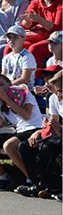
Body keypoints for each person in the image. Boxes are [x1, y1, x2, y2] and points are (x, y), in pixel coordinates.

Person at [15, 70, 62, 199]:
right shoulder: (53, 97)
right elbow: (53, 122)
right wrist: (39, 132)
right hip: (58, 132)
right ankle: (39, 185)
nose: (58, 94)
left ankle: (53, 186)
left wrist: (57, 129)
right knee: (26, 146)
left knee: (47, 148)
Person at [19, 0, 62, 66]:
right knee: (11, 47)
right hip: (39, 36)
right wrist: (27, 20)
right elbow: (26, 25)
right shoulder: (35, 3)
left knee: (34, 49)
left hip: (57, 40)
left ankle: (37, 78)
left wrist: (38, 19)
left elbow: (57, 29)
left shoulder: (60, 4)